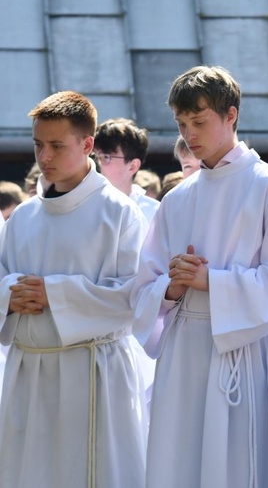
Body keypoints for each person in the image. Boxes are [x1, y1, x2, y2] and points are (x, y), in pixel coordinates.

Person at [131, 65, 268, 488]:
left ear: (231, 116)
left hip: (238, 346)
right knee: (180, 459)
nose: (189, 133)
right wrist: (170, 287)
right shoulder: (177, 199)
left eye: (199, 121)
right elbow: (144, 285)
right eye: (181, 124)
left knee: (234, 465)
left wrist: (216, 281)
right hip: (182, 352)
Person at [0, 91, 148, 488]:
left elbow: (134, 295)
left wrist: (56, 294)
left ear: (87, 145)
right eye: (37, 145)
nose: (43, 156)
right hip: (28, 372)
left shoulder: (118, 213)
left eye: (56, 146)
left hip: (92, 372)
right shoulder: (23, 218)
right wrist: (8, 296)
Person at [94, 118, 160, 222]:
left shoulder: (154, 213)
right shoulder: (82, 207)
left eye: (106, 157)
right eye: (96, 156)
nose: (97, 164)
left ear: (133, 166)